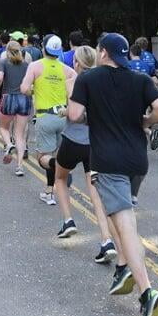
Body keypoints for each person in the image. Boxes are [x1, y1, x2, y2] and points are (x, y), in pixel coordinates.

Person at [67, 33, 158, 316]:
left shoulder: (89, 79)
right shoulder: (140, 79)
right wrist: (145, 121)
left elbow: (74, 114)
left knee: (126, 227)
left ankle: (147, 292)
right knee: (122, 220)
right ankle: (124, 267)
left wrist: (93, 116)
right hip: (137, 161)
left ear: (103, 53)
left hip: (108, 162)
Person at [51, 45, 117, 255]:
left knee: (60, 177)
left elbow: (73, 113)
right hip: (95, 142)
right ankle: (106, 240)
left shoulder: (72, 82)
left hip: (73, 139)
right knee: (95, 191)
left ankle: (68, 220)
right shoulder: (105, 82)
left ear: (77, 63)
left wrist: (64, 112)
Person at [21, 36, 73, 206]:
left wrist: (35, 90)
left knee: (43, 157)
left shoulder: (35, 66)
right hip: (63, 117)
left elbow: (24, 88)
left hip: (45, 117)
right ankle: (49, 192)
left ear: (43, 48)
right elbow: (74, 92)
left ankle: (56, 168)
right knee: (55, 154)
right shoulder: (67, 70)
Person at [0, 39, 32, 177]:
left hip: (9, 97)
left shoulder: (3, 62)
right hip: (23, 99)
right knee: (20, 135)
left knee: (3, 126)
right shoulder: (26, 65)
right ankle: (20, 166)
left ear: (7, 51)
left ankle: (9, 144)